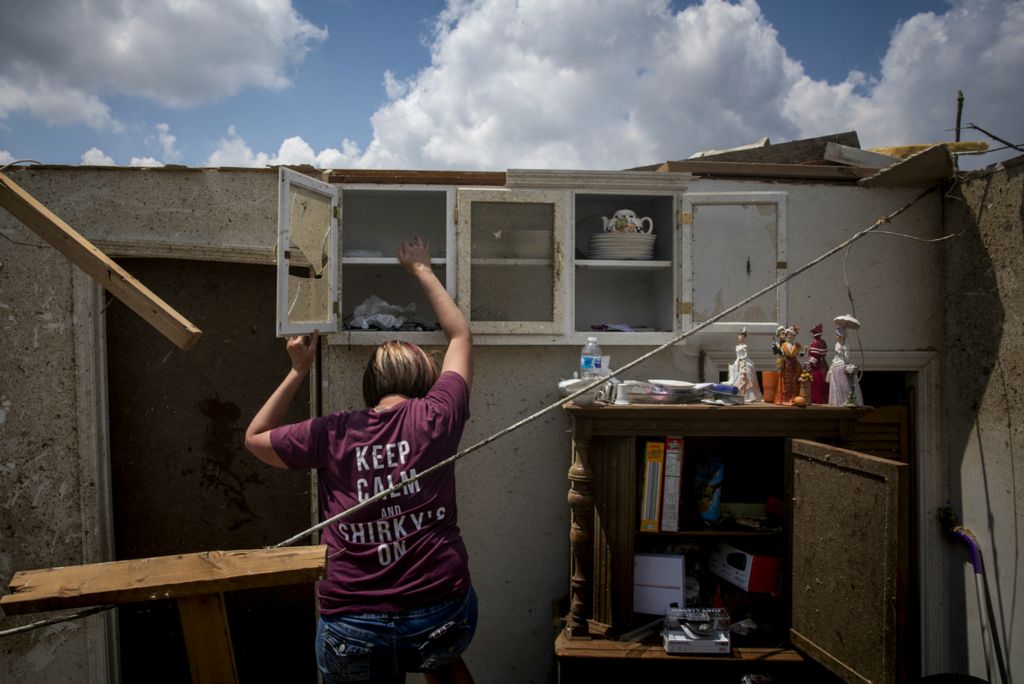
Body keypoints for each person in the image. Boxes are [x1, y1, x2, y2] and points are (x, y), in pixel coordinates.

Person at [245, 236, 476, 684]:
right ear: (424, 380)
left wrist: (297, 371)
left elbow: (254, 439)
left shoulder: (334, 431)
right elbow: (461, 335)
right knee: (442, 664)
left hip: (354, 622)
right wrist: (421, 268)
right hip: (438, 611)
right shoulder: (437, 415)